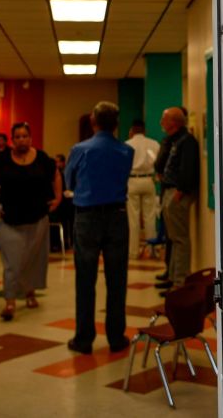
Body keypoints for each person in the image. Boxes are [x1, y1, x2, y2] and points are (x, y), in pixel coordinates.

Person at [64, 101, 134, 354]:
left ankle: (84, 339)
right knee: (117, 279)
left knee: (85, 278)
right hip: (117, 215)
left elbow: (69, 181)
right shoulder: (126, 151)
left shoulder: (80, 149)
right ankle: (116, 337)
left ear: (93, 122)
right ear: (116, 124)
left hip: (87, 217)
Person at [0, 122, 59, 321]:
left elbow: (56, 175)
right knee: (12, 262)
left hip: (37, 217)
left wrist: (58, 197)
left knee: (33, 258)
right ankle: (10, 301)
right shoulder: (3, 160)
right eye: (17, 137)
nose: (21, 140)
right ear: (12, 140)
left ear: (30, 138)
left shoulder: (42, 158)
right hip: (10, 219)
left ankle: (30, 292)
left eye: (24, 136)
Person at [156, 107, 199, 291]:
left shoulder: (187, 141)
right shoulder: (172, 140)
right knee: (173, 237)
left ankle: (180, 281)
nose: (161, 123)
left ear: (174, 122)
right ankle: (173, 277)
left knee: (179, 238)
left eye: (164, 119)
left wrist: (179, 191)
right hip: (169, 190)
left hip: (178, 193)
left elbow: (187, 169)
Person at [125, 118, 160, 258]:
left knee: (133, 219)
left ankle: (133, 252)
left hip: (132, 180)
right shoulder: (153, 144)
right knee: (150, 216)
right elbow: (158, 163)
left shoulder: (127, 145)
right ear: (145, 130)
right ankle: (152, 250)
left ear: (132, 131)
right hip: (148, 179)